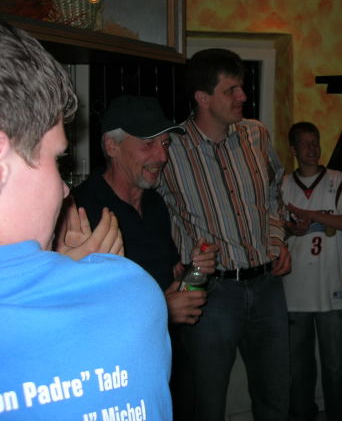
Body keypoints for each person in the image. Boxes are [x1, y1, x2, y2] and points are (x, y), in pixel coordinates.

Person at [0, 22, 172, 418]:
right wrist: (75, 283)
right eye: (57, 159)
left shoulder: (157, 206)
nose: (64, 189)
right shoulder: (126, 288)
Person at [158, 48, 291, 421]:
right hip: (209, 291)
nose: (243, 96)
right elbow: (150, 209)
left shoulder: (256, 135)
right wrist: (173, 263)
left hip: (267, 285)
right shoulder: (170, 148)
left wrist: (277, 240)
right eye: (231, 89)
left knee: (276, 396)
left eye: (242, 87)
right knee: (207, 402)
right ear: (202, 98)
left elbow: (274, 194)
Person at [70, 95, 217, 419]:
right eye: (148, 144)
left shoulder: (155, 205)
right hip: (119, 377)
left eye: (165, 144)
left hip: (168, 361)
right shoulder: (81, 211)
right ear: (111, 145)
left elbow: (170, 282)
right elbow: (79, 314)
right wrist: (163, 309)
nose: (162, 156)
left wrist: (195, 270)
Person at [282, 122, 342, 421]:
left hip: (331, 289)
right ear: (293, 149)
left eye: (315, 142)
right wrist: (291, 229)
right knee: (297, 370)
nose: (312, 148)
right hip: (293, 292)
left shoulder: (337, 180)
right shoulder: (283, 185)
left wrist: (311, 215)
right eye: (305, 143)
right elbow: (273, 232)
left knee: (336, 368)